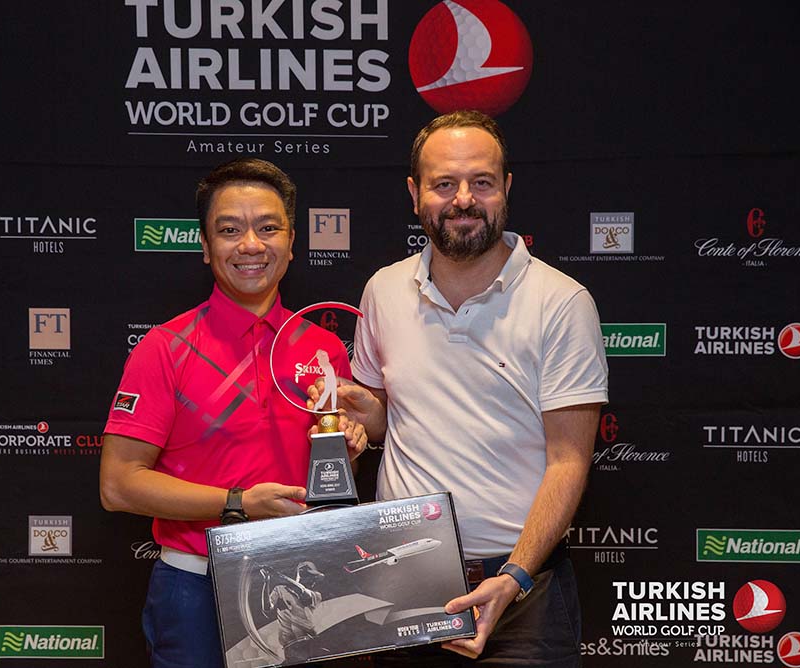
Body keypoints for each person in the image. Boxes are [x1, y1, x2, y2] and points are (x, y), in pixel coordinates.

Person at [313, 110, 608, 666]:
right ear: (414, 193)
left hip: (523, 594)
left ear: (507, 189)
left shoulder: (563, 302)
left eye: (482, 182)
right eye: (444, 183)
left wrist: (515, 576)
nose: (464, 199)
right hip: (402, 582)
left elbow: (569, 460)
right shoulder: (382, 290)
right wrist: (360, 408)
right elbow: (385, 421)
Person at [99, 157, 367, 668]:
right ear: (204, 246)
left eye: (268, 228)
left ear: (292, 242)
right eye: (229, 230)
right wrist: (238, 503)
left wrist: (346, 449)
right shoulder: (164, 347)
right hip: (197, 588)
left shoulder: (324, 348)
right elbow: (117, 485)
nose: (250, 245)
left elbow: (329, 479)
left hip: (302, 586)